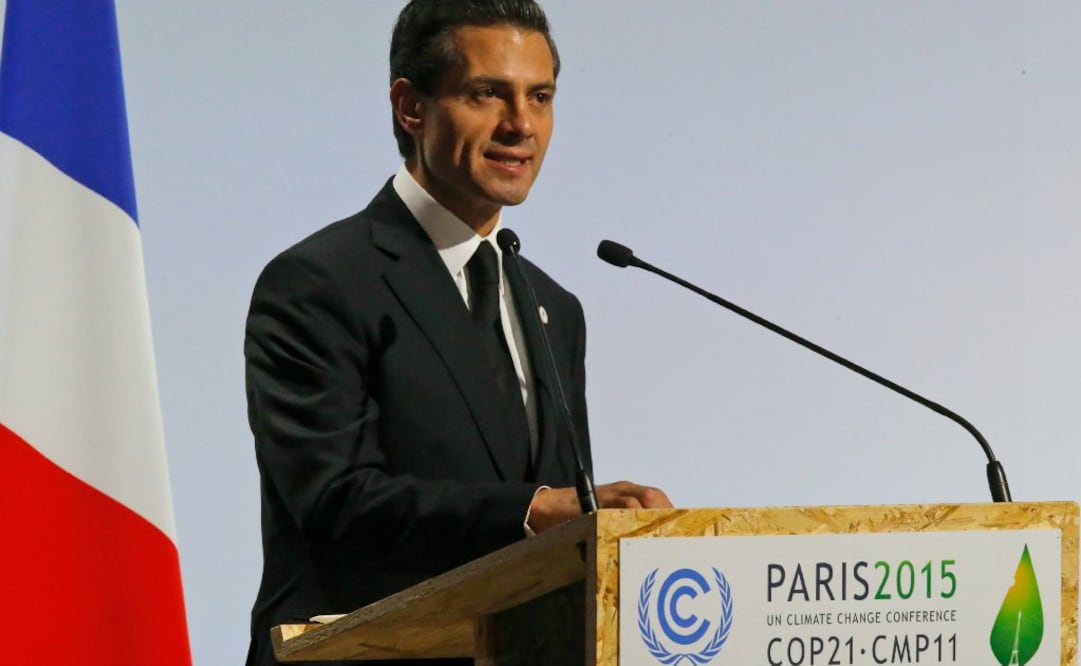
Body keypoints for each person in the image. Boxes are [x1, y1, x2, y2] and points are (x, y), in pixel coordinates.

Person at [244, 1, 671, 663]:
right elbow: (334, 502)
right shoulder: (319, 282)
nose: (520, 125)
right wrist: (535, 510)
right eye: (485, 94)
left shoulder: (552, 307)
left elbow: (556, 524)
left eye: (540, 97)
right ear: (410, 107)